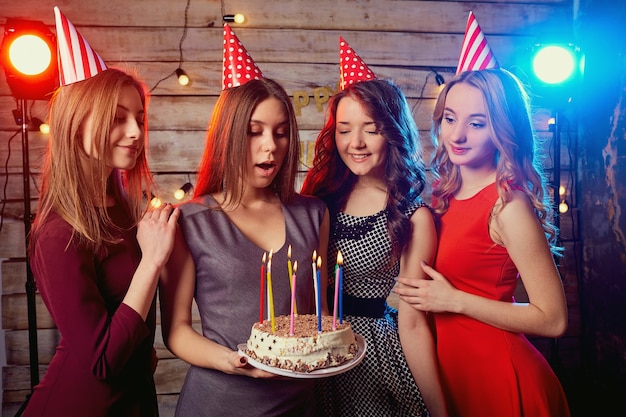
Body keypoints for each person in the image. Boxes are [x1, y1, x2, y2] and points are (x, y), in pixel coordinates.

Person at [394, 67, 572, 416]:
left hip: (498, 377)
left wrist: (455, 300)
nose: (457, 135)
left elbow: (553, 319)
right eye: (449, 119)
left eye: (477, 123)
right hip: (451, 374)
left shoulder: (509, 206)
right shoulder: (442, 196)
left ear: (504, 129)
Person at [158, 75, 330, 417]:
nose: (271, 146)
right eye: (255, 131)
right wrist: (232, 362)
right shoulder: (189, 221)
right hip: (218, 404)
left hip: (298, 405)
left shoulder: (314, 214)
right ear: (229, 135)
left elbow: (319, 315)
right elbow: (176, 331)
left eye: (280, 132)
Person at [25, 64, 179, 417]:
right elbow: (104, 361)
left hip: (136, 398)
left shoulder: (121, 208)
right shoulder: (57, 232)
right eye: (117, 118)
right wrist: (152, 261)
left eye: (139, 118)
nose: (136, 132)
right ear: (75, 122)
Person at [301, 74, 447, 416]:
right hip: (315, 349)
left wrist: (441, 411)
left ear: (393, 131)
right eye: (344, 129)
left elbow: (413, 323)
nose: (356, 142)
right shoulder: (319, 199)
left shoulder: (413, 216)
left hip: (374, 354)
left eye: (371, 128)